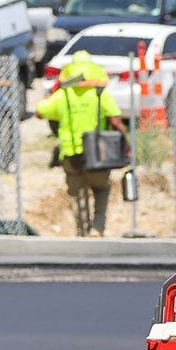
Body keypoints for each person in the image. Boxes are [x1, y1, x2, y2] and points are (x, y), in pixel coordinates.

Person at [37, 50, 127, 237]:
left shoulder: (64, 95)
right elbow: (116, 119)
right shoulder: (100, 93)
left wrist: (56, 89)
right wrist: (125, 143)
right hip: (98, 152)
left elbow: (39, 111)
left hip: (71, 152)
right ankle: (97, 227)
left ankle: (82, 229)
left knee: (77, 192)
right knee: (102, 189)